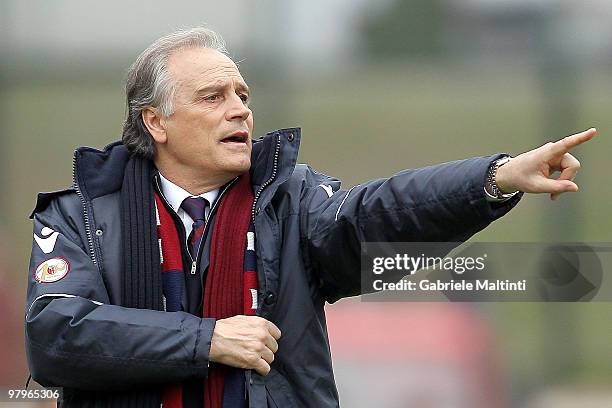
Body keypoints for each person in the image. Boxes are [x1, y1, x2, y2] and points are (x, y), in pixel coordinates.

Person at [25, 27, 596, 408]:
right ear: (155, 122)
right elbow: (58, 336)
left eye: (243, 93)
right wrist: (208, 339)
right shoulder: (78, 217)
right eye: (213, 97)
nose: (239, 108)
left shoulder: (291, 201)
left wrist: (492, 179)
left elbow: (380, 214)